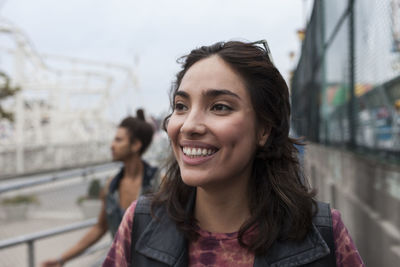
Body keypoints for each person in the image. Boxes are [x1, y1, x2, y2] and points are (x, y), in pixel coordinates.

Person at [103, 40, 364, 266]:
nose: (189, 125)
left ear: (263, 129)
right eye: (181, 106)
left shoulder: (322, 234)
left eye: (219, 107)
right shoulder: (139, 224)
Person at [42, 109, 159, 267]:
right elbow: (100, 227)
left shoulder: (159, 183)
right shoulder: (111, 186)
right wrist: (61, 259)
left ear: (136, 145)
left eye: (118, 140)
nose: (112, 145)